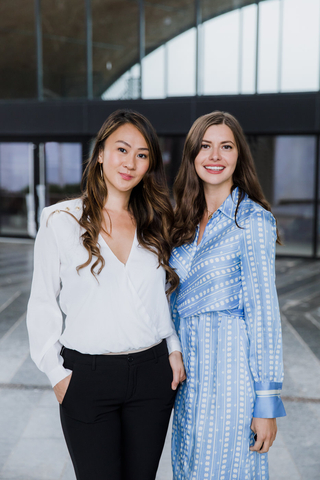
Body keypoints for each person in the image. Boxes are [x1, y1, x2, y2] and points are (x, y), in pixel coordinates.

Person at [27, 109, 186, 480]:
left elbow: (163, 297)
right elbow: (41, 304)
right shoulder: (60, 220)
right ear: (100, 153)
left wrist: (173, 345)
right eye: (122, 149)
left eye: (142, 154)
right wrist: (58, 375)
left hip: (151, 375)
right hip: (87, 377)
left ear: (150, 165)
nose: (130, 162)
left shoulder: (157, 222)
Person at [169, 111, 286, 480]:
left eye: (226, 146)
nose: (215, 155)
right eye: (205, 146)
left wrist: (265, 404)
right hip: (189, 387)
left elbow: (264, 314)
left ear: (239, 156)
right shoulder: (181, 223)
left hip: (233, 387)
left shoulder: (252, 220)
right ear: (192, 155)